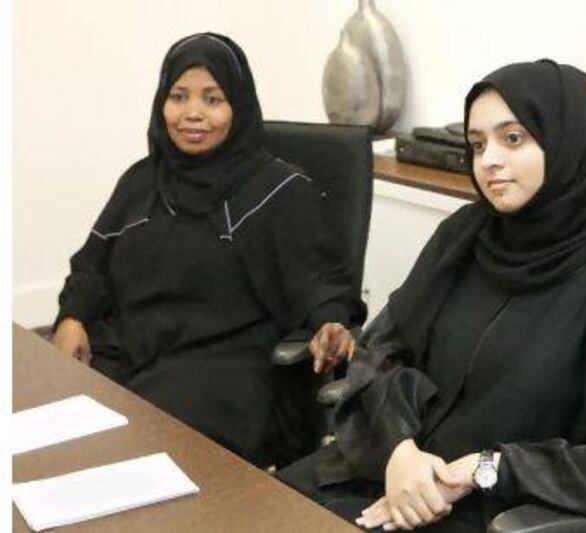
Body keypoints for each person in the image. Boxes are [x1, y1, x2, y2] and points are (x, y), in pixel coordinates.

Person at [277, 60, 586, 532]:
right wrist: (399, 452)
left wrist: (487, 469)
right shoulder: (465, 236)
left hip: (498, 511)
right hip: (394, 476)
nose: (489, 161)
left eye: (513, 139)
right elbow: (380, 348)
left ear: (568, 141)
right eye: (478, 144)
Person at [52, 32, 366, 468]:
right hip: (130, 348)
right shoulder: (142, 181)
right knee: (55, 427)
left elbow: (320, 282)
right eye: (178, 96)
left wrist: (329, 323)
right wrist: (72, 318)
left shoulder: (280, 191)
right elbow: (92, 264)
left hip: (222, 369)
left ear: (238, 106)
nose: (192, 113)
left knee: (130, 455)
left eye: (212, 99)